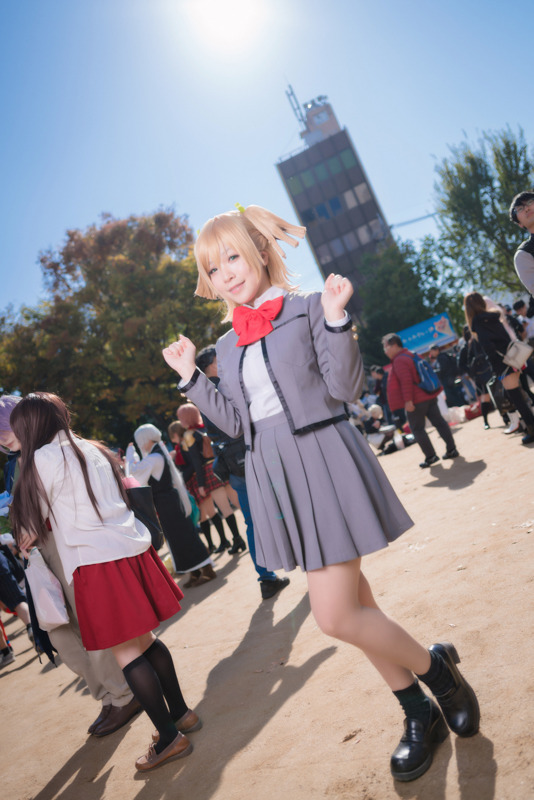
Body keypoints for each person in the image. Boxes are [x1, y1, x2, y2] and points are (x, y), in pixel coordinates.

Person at [161, 204, 479, 783]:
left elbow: (344, 386)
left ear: (260, 250)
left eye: (234, 255)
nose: (227, 272)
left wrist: (336, 320)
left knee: (334, 617)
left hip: (322, 454)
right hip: (274, 471)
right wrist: (192, 380)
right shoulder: (226, 346)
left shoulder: (308, 308)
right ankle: (419, 714)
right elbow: (233, 421)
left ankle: (438, 674)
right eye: (214, 266)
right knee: (359, 608)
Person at [10, 393, 199, 772]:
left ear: (29, 427)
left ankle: (168, 738)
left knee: (126, 653)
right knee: (147, 641)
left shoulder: (41, 461)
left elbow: (37, 521)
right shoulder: (90, 447)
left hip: (96, 561)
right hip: (130, 548)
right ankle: (181, 716)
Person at [1, 393, 146, 736]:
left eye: (6, 427)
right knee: (60, 631)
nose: (4, 436)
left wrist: (30, 525)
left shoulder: (47, 454)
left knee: (88, 624)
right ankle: (107, 695)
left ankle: (121, 694)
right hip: (38, 557)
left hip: (69, 548)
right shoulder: (15, 462)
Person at [192, 345, 290, 600]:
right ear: (212, 364)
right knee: (287, 507)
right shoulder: (226, 386)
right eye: (219, 358)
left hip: (234, 465)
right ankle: (309, 560)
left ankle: (266, 578)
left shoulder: (203, 394)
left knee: (252, 522)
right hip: (256, 456)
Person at [126, 424, 216, 588]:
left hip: (168, 503)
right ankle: (194, 571)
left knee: (184, 536)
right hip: (166, 503)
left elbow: (135, 472)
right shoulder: (156, 455)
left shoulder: (155, 456)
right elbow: (139, 474)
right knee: (177, 538)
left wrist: (130, 456)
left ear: (145, 440)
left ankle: (207, 569)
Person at [464, 292, 534, 445]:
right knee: (520, 396)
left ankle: (531, 429)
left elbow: (488, 347)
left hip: (502, 365)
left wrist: (496, 367)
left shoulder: (477, 322)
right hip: (513, 358)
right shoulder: (495, 316)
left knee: (517, 398)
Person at [175, 403, 245, 555]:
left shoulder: (189, 435)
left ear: (185, 418)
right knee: (238, 503)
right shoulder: (205, 428)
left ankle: (238, 539)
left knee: (225, 508)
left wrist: (200, 485)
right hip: (222, 466)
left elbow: (196, 463)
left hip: (209, 472)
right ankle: (253, 531)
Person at [383, 334, 459, 469]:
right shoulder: (411, 354)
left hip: (416, 400)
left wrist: (408, 401)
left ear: (394, 345)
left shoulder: (400, 360)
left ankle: (431, 456)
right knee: (440, 423)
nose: (385, 351)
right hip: (428, 395)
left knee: (417, 429)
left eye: (386, 347)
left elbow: (406, 382)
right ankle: (452, 449)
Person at [457, 326, 495, 430]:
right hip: (480, 377)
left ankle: (504, 416)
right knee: (486, 398)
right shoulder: (465, 347)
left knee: (495, 395)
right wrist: (471, 372)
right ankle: (486, 421)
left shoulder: (478, 341)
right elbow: (461, 364)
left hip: (488, 372)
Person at [509, 192, 534, 295]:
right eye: (520, 209)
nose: (527, 208)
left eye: (530, 202)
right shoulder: (524, 254)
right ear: (520, 224)